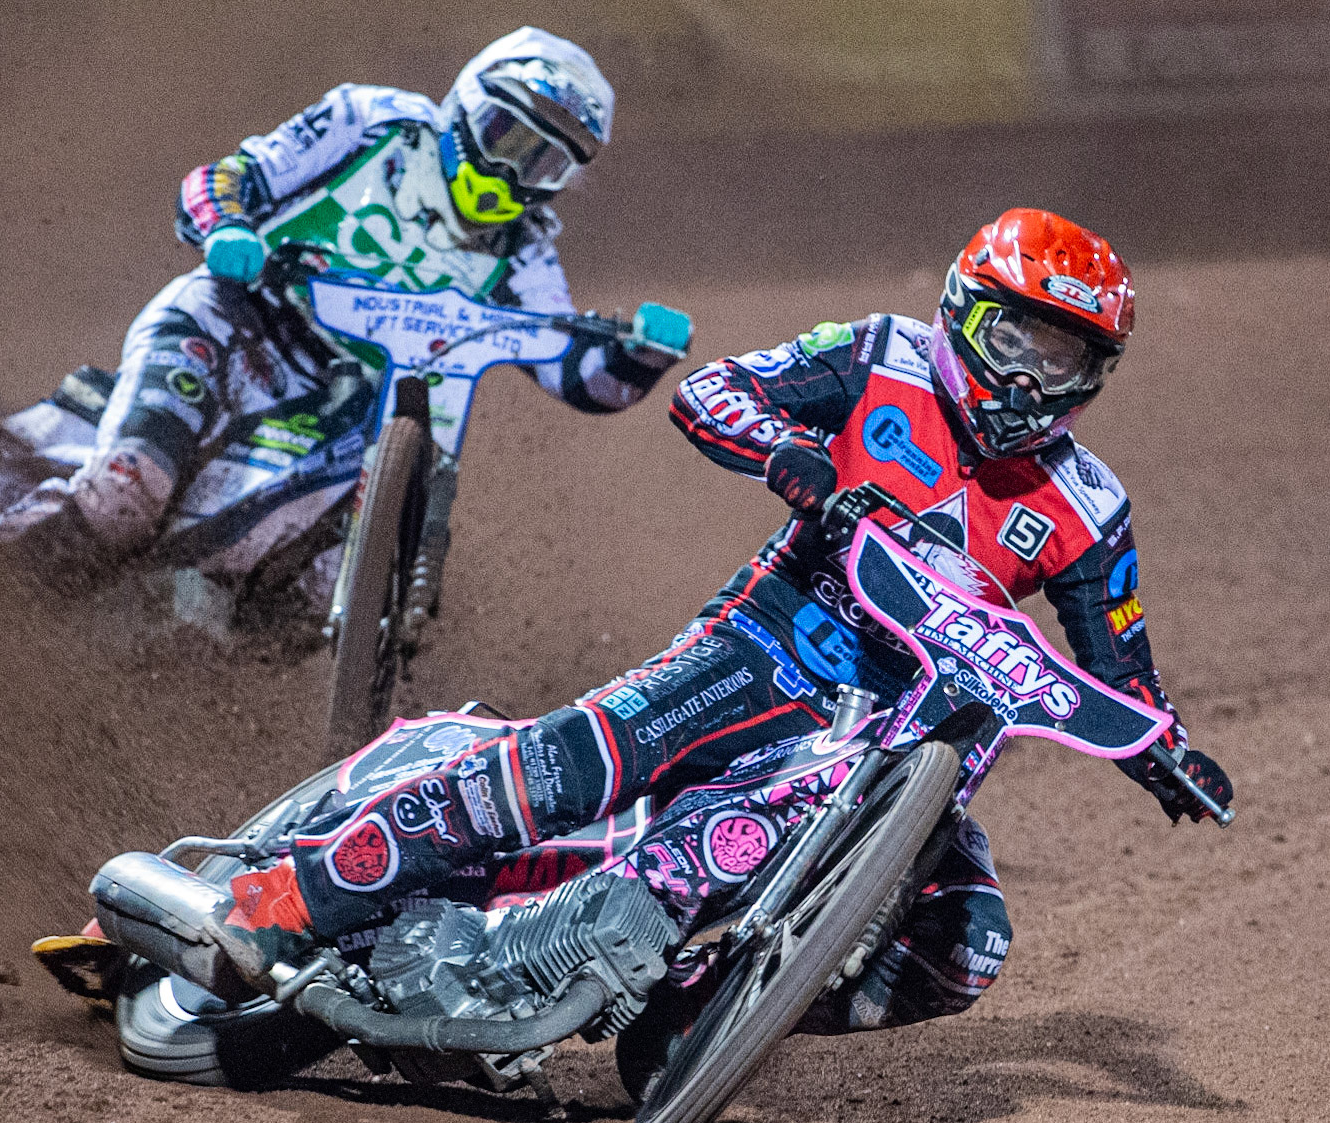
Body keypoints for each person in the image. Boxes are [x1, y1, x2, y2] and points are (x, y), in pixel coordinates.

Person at [202, 207, 1236, 1040]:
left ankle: (690, 1017)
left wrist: (1167, 755)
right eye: (1014, 339)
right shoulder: (881, 355)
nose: (1024, 378)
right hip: (765, 648)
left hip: (906, 746)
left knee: (965, 947)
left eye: (1059, 358)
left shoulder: (1088, 506)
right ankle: (291, 897)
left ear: (1093, 376)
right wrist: (797, 464)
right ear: (965, 312)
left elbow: (1121, 676)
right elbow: (713, 390)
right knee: (577, 768)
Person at [0, 26, 691, 579]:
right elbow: (223, 177)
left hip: (343, 414)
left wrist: (640, 354)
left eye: (542, 162)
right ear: (464, 104)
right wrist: (227, 227)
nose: (507, 174)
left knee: (313, 579)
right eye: (502, 136)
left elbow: (569, 367)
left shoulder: (524, 250)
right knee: (125, 495)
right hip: (236, 324)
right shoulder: (375, 125)